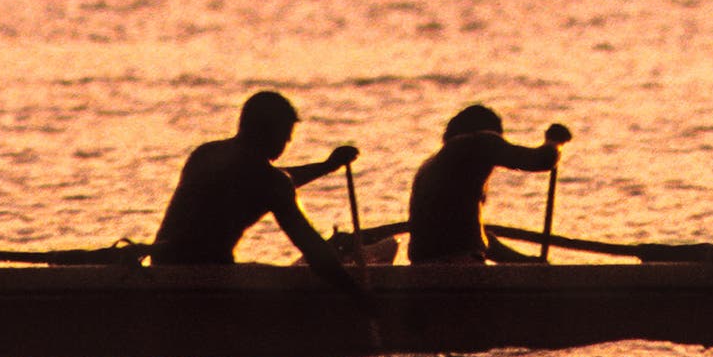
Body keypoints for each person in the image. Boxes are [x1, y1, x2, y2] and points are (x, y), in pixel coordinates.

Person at [149, 91, 369, 299]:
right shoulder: (269, 182)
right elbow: (312, 248)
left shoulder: (206, 154)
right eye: (285, 136)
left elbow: (275, 181)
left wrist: (327, 166)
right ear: (266, 132)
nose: (287, 143)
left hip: (161, 266)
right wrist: (357, 294)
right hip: (208, 279)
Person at [405, 104, 572, 263]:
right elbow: (543, 160)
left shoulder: (428, 166)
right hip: (459, 264)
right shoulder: (479, 142)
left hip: (421, 265)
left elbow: (476, 238)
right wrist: (555, 142)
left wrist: (525, 262)